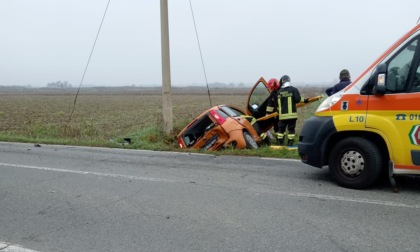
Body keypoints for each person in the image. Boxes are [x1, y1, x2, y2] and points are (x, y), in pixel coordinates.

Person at [275, 75, 308, 146]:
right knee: (291, 130)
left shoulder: (278, 92)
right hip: (292, 115)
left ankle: (280, 143)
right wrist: (305, 100)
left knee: (281, 130)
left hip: (282, 116)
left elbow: (277, 105)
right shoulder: (293, 90)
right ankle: (290, 143)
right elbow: (298, 99)